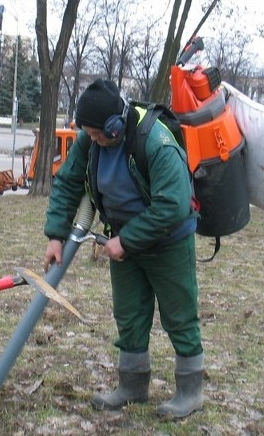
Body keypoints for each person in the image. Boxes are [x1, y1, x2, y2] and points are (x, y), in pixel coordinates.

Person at [42, 78, 204, 419]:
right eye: (89, 134)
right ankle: (133, 386)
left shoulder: (156, 141)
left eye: (99, 134)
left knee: (179, 315)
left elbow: (172, 205)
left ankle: (190, 392)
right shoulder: (91, 138)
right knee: (129, 315)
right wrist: (55, 235)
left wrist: (126, 240)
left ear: (116, 124)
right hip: (124, 242)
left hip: (168, 240)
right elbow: (69, 181)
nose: (94, 140)